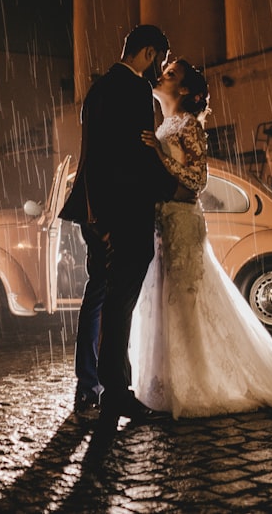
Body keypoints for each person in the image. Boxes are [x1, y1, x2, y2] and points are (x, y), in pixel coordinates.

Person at [129, 56, 272, 419]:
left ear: (186, 91)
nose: (161, 76)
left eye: (171, 74)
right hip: (164, 224)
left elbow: (196, 181)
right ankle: (166, 382)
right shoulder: (166, 126)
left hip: (182, 223)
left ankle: (195, 385)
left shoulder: (189, 125)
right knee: (165, 301)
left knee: (185, 302)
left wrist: (157, 157)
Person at [58, 24, 190, 427]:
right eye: (162, 60)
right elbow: (129, 159)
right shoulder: (132, 91)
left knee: (98, 297)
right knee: (120, 304)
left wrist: (97, 216)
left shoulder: (99, 89)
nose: (162, 68)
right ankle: (117, 392)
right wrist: (174, 187)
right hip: (122, 215)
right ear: (148, 53)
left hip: (94, 210)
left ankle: (90, 384)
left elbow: (97, 157)